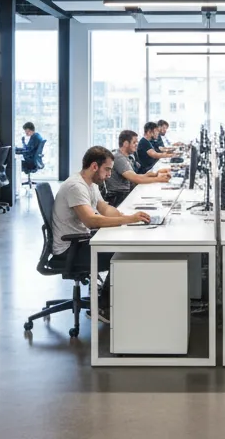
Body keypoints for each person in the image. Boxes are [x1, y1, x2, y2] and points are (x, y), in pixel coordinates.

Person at [51, 146, 152, 319]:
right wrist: (128, 220)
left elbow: (103, 208)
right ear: (94, 166)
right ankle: (103, 307)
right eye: (107, 169)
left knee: (125, 242)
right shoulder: (76, 186)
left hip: (81, 240)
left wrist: (126, 216)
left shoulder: (90, 184)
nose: (109, 175)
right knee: (124, 252)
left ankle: (108, 301)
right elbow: (91, 220)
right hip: (70, 249)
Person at [105, 130, 171, 206]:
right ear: (126, 144)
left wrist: (157, 174)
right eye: (134, 142)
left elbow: (137, 176)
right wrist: (159, 179)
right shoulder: (119, 158)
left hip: (125, 193)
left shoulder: (128, 156)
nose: (137, 144)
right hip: (119, 197)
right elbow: (136, 179)